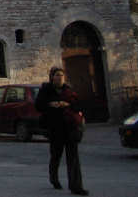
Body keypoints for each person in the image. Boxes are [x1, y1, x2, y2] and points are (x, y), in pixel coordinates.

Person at [36, 66, 88, 195]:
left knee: (73, 158)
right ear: (52, 77)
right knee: (56, 155)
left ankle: (76, 186)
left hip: (70, 127)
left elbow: (78, 105)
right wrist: (50, 104)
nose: (59, 78)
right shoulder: (46, 90)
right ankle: (54, 178)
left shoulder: (69, 91)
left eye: (61, 75)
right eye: (57, 75)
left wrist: (67, 104)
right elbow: (38, 105)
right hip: (54, 128)